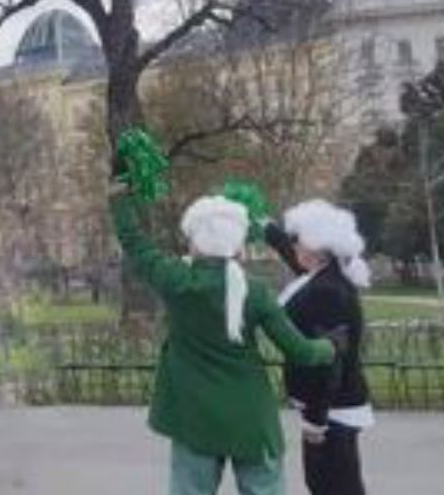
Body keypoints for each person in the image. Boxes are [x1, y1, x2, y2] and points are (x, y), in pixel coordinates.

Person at [110, 181, 337, 495]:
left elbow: (135, 242)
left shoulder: (176, 281)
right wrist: (330, 346)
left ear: (196, 243)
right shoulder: (256, 294)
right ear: (238, 245)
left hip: (194, 419)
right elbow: (302, 352)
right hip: (252, 420)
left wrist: (119, 198)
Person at [265, 201, 373, 495]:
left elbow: (330, 357)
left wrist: (316, 418)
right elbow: (293, 258)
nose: (294, 245)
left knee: (334, 487)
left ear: (317, 248)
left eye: (298, 240)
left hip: (331, 409)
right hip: (330, 406)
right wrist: (266, 228)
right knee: (329, 485)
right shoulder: (325, 275)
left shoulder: (327, 290)